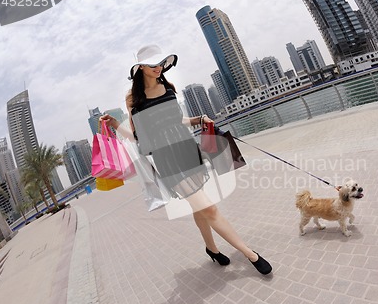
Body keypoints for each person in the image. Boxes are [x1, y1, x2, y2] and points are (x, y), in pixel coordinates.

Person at [100, 45, 272, 275]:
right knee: (209, 208)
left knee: (198, 207)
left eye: (161, 63)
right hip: (167, 159)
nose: (158, 68)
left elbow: (177, 120)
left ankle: (211, 249)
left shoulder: (167, 87)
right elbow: (137, 137)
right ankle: (250, 254)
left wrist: (198, 119)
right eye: (153, 64)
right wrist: (114, 125)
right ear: (140, 67)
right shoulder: (133, 98)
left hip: (187, 150)